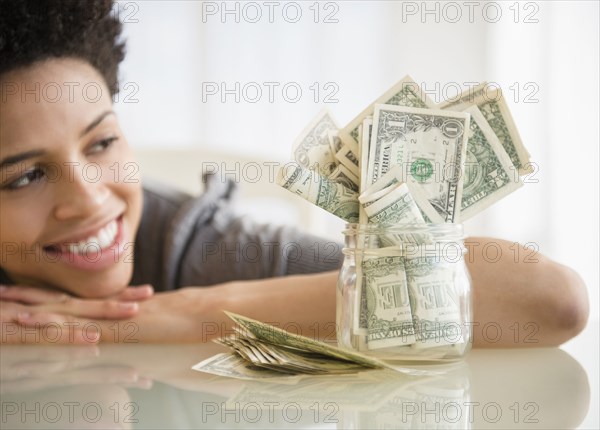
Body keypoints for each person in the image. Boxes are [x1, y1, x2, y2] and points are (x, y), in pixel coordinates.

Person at [0, 0, 589, 346]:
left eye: (102, 142)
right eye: (24, 177)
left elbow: (547, 298)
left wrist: (165, 315)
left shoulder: (198, 246)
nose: (89, 200)